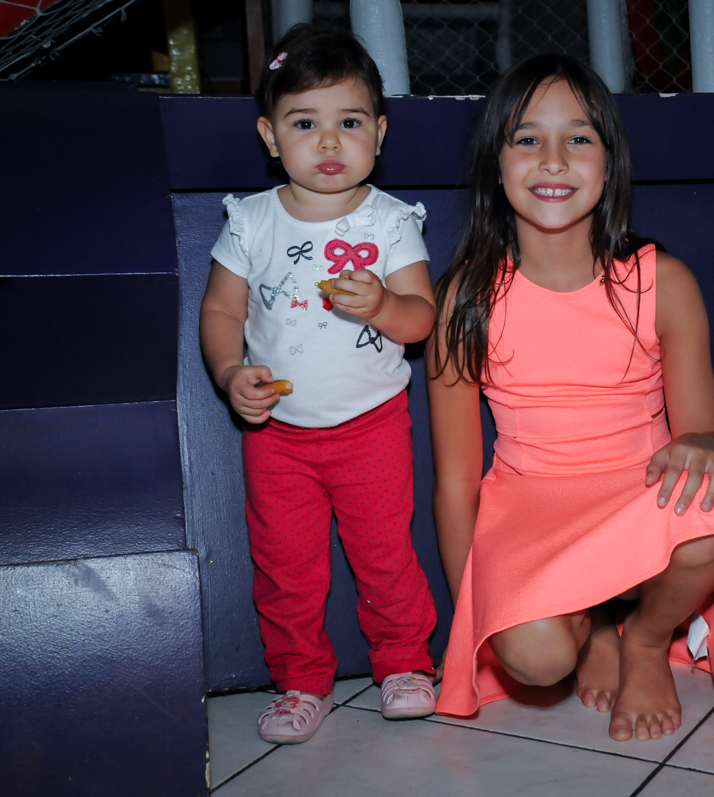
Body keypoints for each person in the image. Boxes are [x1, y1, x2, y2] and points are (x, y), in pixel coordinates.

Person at [429, 54, 714, 743]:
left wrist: (705, 445)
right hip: (531, 503)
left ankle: (643, 639)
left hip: (637, 487)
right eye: (527, 139)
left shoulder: (663, 282)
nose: (553, 159)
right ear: (496, 166)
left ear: (609, 164)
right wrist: (477, 608)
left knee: (712, 518)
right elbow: (457, 480)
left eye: (578, 138)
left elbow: (707, 430)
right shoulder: (465, 297)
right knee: (535, 656)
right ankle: (586, 635)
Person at [199, 23, 439, 744]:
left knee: (385, 552)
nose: (329, 142)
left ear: (380, 133)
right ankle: (301, 679)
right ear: (272, 136)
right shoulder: (251, 221)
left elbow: (421, 319)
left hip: (371, 424)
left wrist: (385, 306)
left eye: (350, 122)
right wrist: (229, 370)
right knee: (286, 565)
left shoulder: (391, 223)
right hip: (277, 433)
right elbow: (220, 309)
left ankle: (404, 663)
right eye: (307, 123)